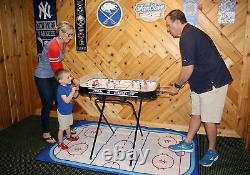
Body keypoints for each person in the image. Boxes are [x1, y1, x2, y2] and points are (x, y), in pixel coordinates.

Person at [164, 9, 233, 167]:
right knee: (196, 113)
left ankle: (212, 152)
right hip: (201, 83)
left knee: (208, 119)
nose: (168, 29)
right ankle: (188, 142)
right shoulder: (190, 34)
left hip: (213, 83)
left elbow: (187, 69)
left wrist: (176, 87)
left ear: (177, 22)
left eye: (168, 25)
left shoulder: (187, 37)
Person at [34, 21, 79, 143]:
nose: (70, 38)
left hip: (54, 74)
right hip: (43, 76)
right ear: (61, 33)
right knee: (48, 103)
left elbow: (59, 64)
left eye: (72, 35)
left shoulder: (63, 43)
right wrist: (72, 79)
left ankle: (66, 127)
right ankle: (46, 132)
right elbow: (58, 70)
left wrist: (68, 78)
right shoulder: (53, 46)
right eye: (69, 35)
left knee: (61, 102)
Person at [55, 69, 79, 150]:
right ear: (60, 80)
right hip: (63, 112)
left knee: (68, 125)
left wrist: (77, 88)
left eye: (70, 76)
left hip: (68, 111)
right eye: (68, 77)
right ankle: (60, 143)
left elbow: (75, 96)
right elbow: (67, 100)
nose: (71, 78)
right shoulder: (61, 89)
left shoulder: (68, 86)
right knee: (61, 129)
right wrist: (72, 92)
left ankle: (69, 137)